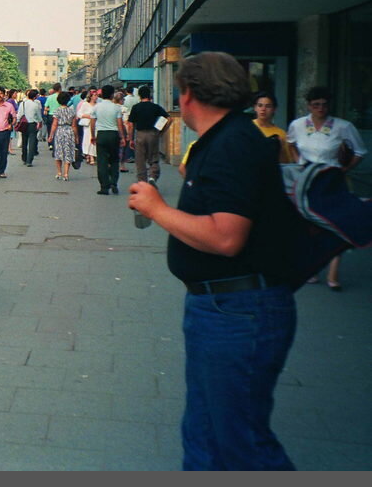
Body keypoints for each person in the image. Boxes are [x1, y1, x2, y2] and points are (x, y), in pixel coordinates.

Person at [129, 51, 301, 470]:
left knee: (240, 444)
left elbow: (227, 237)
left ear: (187, 96)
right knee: (207, 433)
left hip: (238, 311)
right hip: (226, 306)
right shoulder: (229, 139)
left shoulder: (231, 144)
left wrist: (156, 209)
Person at [287, 86, 367, 291]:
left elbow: (359, 151)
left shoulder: (343, 126)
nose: (320, 108)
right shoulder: (297, 125)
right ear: (309, 106)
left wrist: (344, 169)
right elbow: (291, 144)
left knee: (336, 223)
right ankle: (312, 268)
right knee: (306, 224)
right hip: (307, 180)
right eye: (316, 105)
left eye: (324, 104)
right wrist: (299, 163)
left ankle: (333, 273)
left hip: (332, 180)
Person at [127, 85, 172, 186]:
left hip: (140, 135)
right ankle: (152, 177)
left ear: (139, 96)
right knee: (154, 158)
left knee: (140, 160)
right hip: (153, 133)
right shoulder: (155, 107)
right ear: (150, 95)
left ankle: (142, 182)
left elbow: (130, 124)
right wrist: (161, 130)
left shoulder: (136, 107)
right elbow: (169, 119)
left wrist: (130, 139)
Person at [93, 85, 126, 194]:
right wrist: (122, 137)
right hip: (113, 135)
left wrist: (93, 135)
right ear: (112, 94)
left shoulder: (97, 107)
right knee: (114, 160)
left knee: (102, 161)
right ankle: (114, 182)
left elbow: (92, 122)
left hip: (101, 134)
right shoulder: (116, 108)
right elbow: (120, 124)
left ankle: (104, 186)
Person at [252, 92, 294, 165]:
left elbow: (285, 163)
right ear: (255, 108)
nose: (263, 109)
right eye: (260, 105)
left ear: (274, 109)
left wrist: (281, 147)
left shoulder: (281, 133)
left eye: (268, 106)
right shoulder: (248, 127)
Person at [49, 91, 78, 181]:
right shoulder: (72, 111)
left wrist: (51, 135)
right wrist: (77, 137)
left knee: (58, 152)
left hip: (59, 131)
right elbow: (74, 125)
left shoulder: (57, 111)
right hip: (69, 131)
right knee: (68, 152)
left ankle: (59, 172)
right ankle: (66, 174)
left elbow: (54, 124)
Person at [20, 89, 43, 167]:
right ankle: (30, 160)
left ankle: (24, 158)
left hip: (24, 124)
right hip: (32, 124)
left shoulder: (22, 103)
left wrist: (17, 122)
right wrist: (40, 122)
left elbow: (19, 114)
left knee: (24, 141)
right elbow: (39, 116)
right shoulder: (35, 105)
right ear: (34, 97)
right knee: (32, 142)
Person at [76, 89, 97, 165]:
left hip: (96, 125)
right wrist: (88, 116)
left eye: (97, 95)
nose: (96, 97)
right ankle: (88, 154)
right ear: (90, 96)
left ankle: (91, 155)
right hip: (87, 125)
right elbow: (79, 114)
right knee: (87, 140)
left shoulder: (98, 105)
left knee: (94, 139)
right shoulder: (85, 104)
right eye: (94, 95)